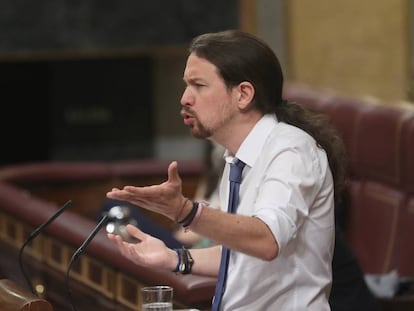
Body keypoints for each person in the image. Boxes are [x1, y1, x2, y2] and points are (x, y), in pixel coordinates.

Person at [106, 30, 348, 310]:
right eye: (186, 85)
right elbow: (243, 256)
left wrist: (186, 212)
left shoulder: (291, 151)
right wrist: (174, 258)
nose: (185, 98)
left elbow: (266, 239)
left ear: (243, 94)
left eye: (198, 85)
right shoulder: (237, 158)